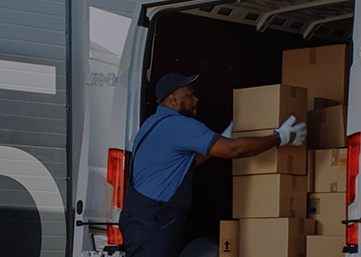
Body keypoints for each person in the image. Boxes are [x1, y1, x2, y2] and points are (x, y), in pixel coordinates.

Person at [119, 73, 307, 256]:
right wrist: (279, 137)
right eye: (190, 95)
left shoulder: (152, 124)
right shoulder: (179, 125)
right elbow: (235, 150)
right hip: (153, 224)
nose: (196, 99)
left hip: (140, 220)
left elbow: (188, 164)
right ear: (173, 100)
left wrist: (221, 139)